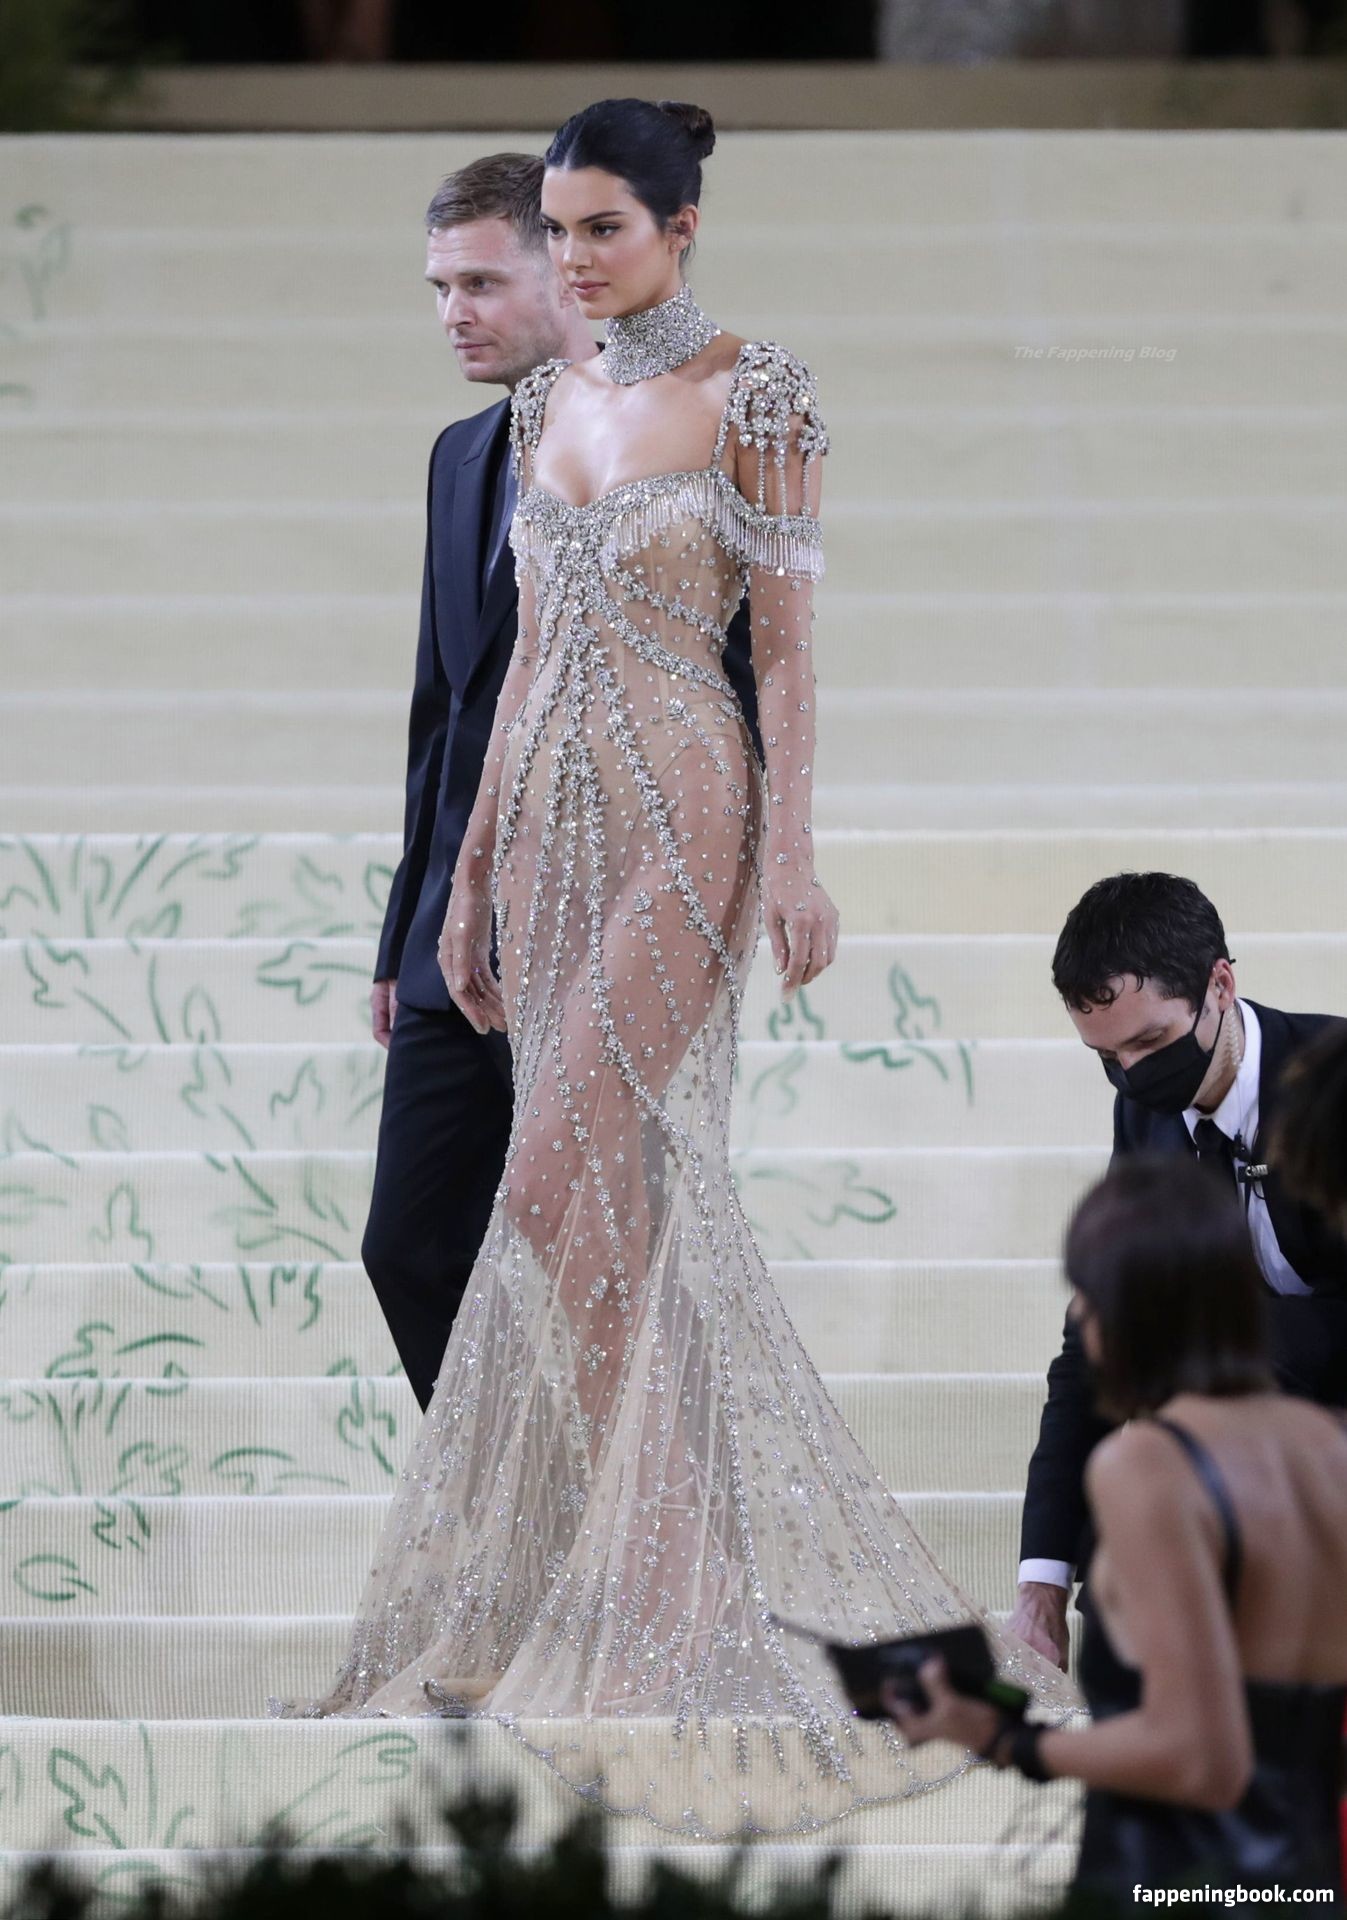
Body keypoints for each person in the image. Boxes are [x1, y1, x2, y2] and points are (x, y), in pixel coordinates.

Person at [269, 95, 1078, 1835]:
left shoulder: (755, 390)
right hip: (538, 835)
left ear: (679, 229)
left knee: (556, 1189)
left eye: (601, 231)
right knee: (611, 1224)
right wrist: (462, 886)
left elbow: (781, 653)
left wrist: (789, 855)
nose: (571, 261)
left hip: (678, 814)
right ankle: (654, 1587)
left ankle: (653, 1588)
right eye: (556, 232)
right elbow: (515, 664)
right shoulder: (542, 403)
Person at [361, 150, 765, 1411]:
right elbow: (442, 712)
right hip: (458, 931)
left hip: (610, 908)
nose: (454, 314)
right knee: (407, 1247)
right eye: (440, 289)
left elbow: (737, 684)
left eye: (481, 282)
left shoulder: (685, 432)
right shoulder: (457, 456)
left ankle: (655, 1506)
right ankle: (526, 1497)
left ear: (568, 270)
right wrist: (404, 934)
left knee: (608, 1250)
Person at [889, 1157, 1347, 1904]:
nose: (1079, 1319)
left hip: (1176, 1885)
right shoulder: (1328, 1446)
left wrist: (1002, 1738)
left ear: (1127, 1309)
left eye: (1085, 1295)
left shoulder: (1149, 1467)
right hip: (1311, 1881)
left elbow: (1199, 1757)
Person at [1013, 872, 1347, 1672]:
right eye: (1106, 1057)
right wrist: (1041, 1582)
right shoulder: (1144, 1113)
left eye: (1151, 1043)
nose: (1132, 1074)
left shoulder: (1334, 1083)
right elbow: (1092, 1341)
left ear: (1219, 986)